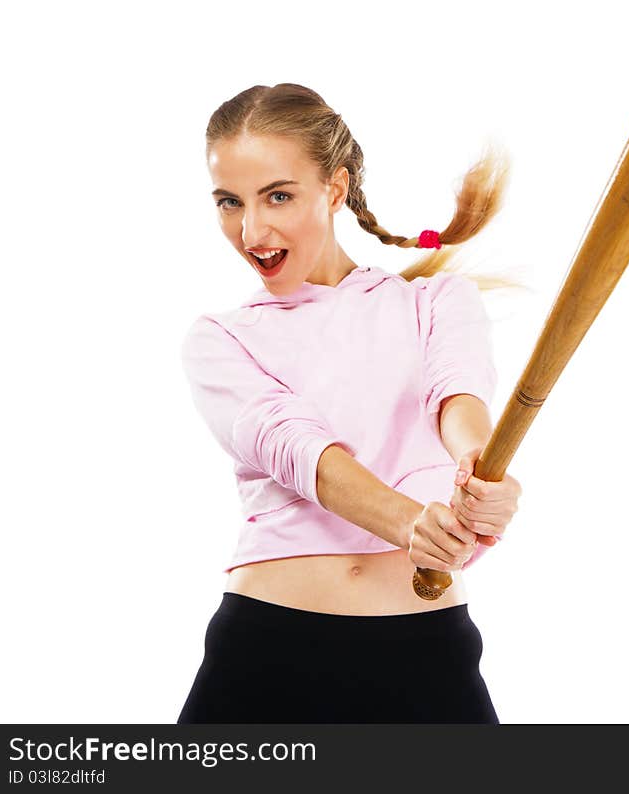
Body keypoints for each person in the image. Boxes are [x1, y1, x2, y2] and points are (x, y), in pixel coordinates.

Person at [176, 83, 525, 724]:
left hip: (427, 652)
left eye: (278, 195)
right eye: (231, 202)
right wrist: (407, 520)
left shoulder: (436, 302)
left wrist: (480, 470)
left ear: (335, 189)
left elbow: (458, 396)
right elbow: (299, 449)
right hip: (266, 649)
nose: (252, 230)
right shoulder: (219, 339)